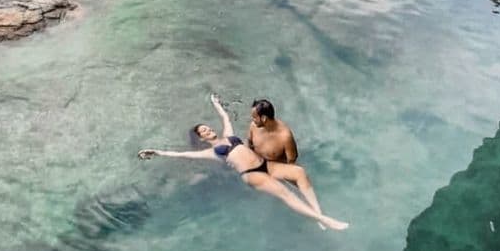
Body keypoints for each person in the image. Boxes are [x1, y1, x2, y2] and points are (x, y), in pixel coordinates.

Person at [138, 94, 348, 231]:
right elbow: (181, 154)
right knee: (286, 194)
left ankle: (319, 215)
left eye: (207, 127)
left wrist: (215, 104)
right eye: (203, 132)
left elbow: (225, 118)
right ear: (201, 139)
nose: (208, 130)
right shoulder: (212, 152)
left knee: (299, 173)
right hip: (251, 175)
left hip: (265, 164)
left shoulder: (228, 136)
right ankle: (325, 220)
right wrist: (156, 152)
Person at [248, 98, 298, 164]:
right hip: (256, 162)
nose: (253, 120)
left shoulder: (285, 137)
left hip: (275, 168)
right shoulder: (253, 126)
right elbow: (249, 143)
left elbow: (291, 162)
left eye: (254, 117)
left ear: (264, 118)